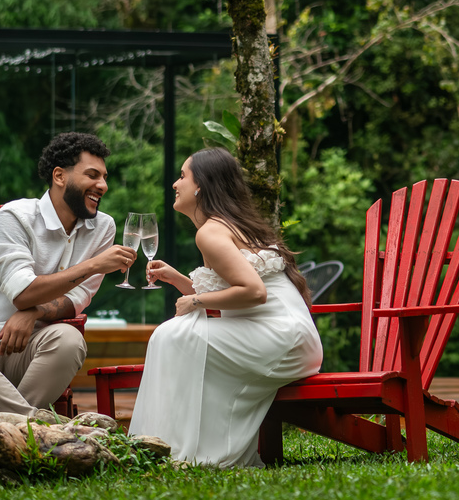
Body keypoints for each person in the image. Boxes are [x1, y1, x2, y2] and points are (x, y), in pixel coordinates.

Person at [129, 148, 323, 467]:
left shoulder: (212, 232)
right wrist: (179, 281)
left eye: (182, 176)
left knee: (174, 336)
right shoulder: (221, 226)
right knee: (175, 336)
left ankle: (177, 450)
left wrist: (195, 300)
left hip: (283, 338)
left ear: (201, 186)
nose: (175, 184)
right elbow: (234, 292)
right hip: (288, 337)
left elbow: (253, 292)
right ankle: (172, 445)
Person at [0, 132, 137, 416]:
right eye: (92, 175)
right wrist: (94, 264)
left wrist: (34, 313)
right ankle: (33, 426)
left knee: (69, 340)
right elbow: (23, 293)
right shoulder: (16, 218)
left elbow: (77, 299)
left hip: (30, 360)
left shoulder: (103, 228)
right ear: (60, 176)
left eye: (104, 177)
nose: (103, 185)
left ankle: (9, 427)